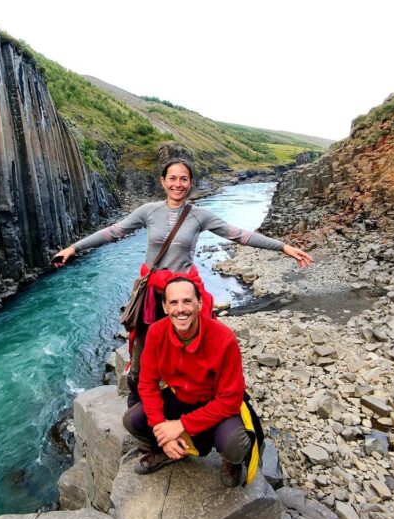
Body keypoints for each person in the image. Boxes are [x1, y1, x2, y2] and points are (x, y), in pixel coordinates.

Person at [52, 159, 312, 401]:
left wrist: (283, 247)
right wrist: (75, 248)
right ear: (162, 181)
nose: (178, 184)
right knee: (142, 353)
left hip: (183, 294)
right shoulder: (148, 211)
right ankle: (139, 408)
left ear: (190, 183)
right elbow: (113, 232)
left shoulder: (200, 215)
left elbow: (238, 235)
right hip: (153, 293)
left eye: (184, 179)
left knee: (190, 350)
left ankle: (188, 401)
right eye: (173, 178)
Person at [121, 276, 254, 487]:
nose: (180, 309)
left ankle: (231, 462)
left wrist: (181, 425)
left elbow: (230, 399)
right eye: (173, 302)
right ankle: (167, 450)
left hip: (216, 404)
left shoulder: (224, 338)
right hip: (181, 397)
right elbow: (147, 384)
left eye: (187, 301)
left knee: (234, 444)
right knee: (132, 420)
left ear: (200, 304)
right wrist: (163, 430)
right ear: (164, 307)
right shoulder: (156, 333)